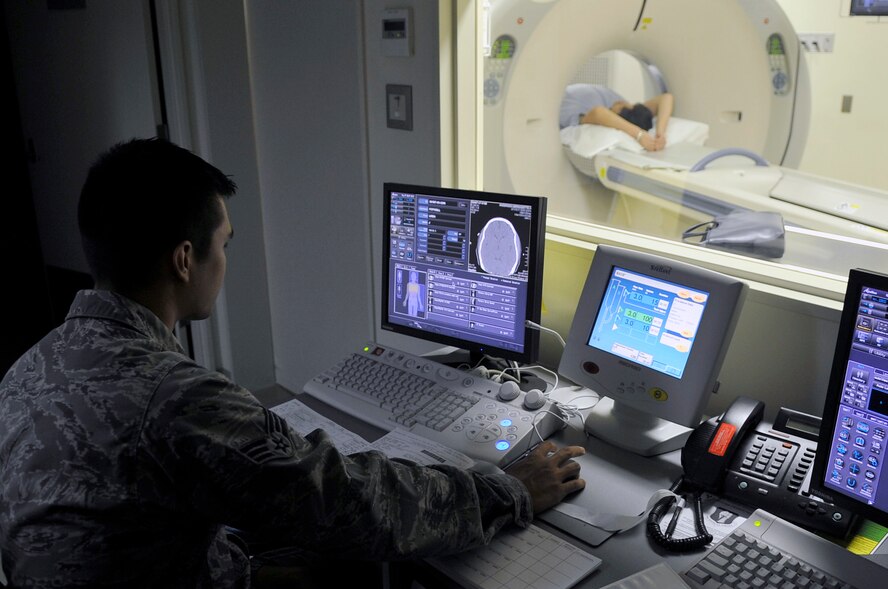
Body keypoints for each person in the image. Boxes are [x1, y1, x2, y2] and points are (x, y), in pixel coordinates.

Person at [0, 138, 586, 588]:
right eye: (224, 243)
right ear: (185, 259)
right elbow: (348, 503)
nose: (225, 260)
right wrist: (507, 491)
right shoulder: (176, 396)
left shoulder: (26, 370)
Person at [559, 83, 674, 151]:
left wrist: (639, 135)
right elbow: (666, 97)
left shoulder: (588, 118)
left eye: (624, 106)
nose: (622, 102)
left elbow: (599, 112)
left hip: (553, 102)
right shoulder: (628, 110)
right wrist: (660, 133)